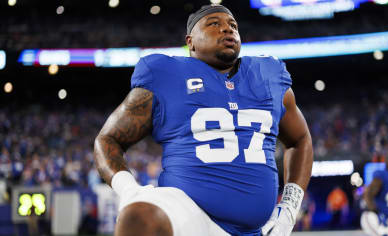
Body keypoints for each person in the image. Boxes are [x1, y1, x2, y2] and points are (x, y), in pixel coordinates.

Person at [94, 4, 313, 236]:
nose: (227, 30)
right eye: (214, 24)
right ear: (191, 42)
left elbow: (300, 140)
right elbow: (108, 139)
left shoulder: (267, 74)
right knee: (140, 217)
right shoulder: (166, 74)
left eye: (233, 26)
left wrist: (289, 207)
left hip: (255, 229)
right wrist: (129, 191)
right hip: (189, 214)